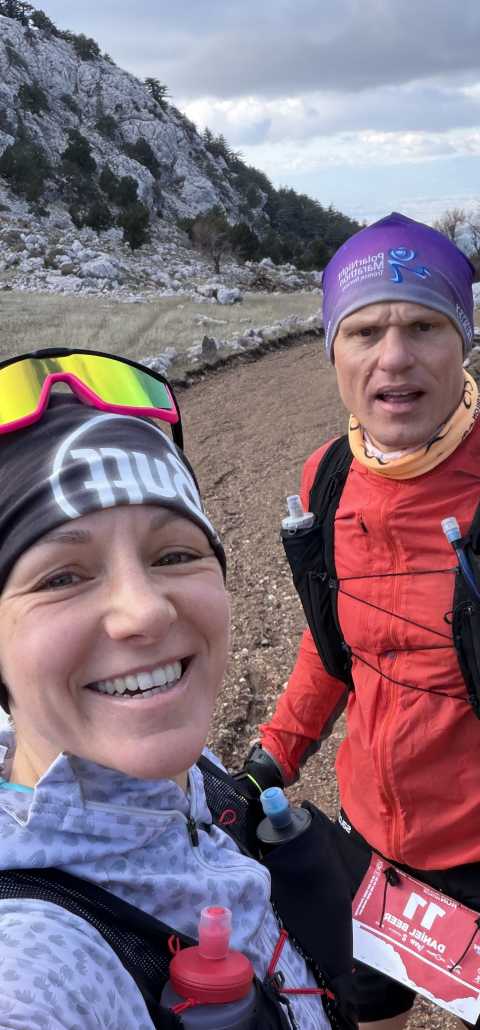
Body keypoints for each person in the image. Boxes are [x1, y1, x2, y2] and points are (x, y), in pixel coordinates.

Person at [244, 213, 480, 1030]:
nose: (393, 358)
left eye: (423, 326)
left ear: (463, 338)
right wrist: (272, 755)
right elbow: (332, 641)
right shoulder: (326, 476)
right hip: (372, 841)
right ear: (332, 351)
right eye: (364, 332)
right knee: (366, 1009)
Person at [0, 349, 352, 1030]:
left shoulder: (194, 776)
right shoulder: (35, 970)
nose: (146, 611)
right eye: (62, 576)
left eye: (175, 555)